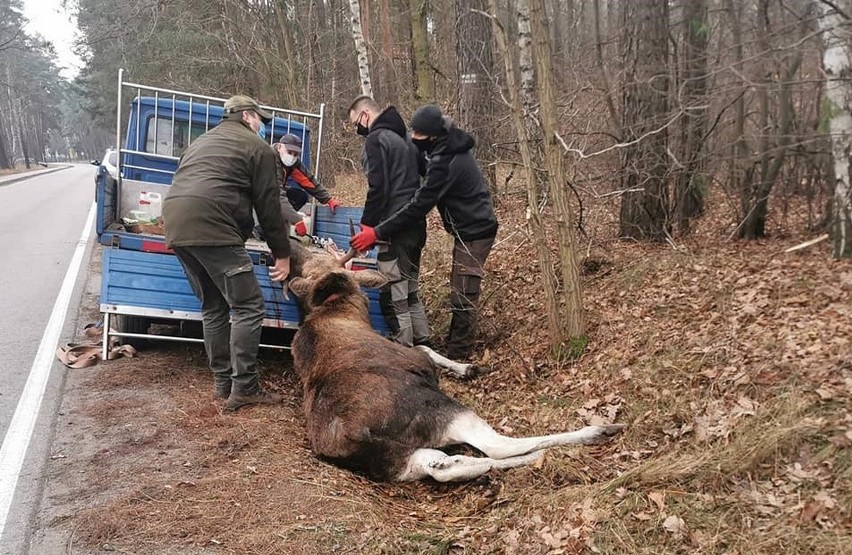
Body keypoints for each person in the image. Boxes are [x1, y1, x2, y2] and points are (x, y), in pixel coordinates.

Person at [163, 94, 291, 411]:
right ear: (247, 116)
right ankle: (245, 387)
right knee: (248, 306)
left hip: (177, 226)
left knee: (214, 305)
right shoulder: (258, 149)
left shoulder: (200, 143)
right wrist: (282, 253)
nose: (262, 126)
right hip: (212, 226)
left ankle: (222, 384)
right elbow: (270, 208)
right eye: (260, 120)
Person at [352, 104, 498, 361]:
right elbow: (421, 177)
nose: (414, 139)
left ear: (432, 135)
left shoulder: (448, 162)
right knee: (423, 291)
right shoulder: (442, 149)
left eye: (418, 135)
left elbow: (419, 203)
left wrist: (375, 231)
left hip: (475, 231)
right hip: (462, 230)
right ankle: (433, 348)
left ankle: (457, 356)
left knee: (462, 293)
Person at [347, 95, 430, 347]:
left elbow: (378, 187)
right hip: (416, 226)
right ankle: (425, 342)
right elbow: (424, 176)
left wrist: (368, 226)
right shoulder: (406, 139)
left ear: (365, 115)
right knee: (410, 290)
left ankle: (403, 349)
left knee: (393, 293)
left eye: (355, 123)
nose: (357, 129)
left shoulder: (376, 139)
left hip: (392, 229)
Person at [273, 133, 340, 236]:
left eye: (295, 154)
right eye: (289, 152)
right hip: (256, 192)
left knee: (300, 196)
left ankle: (278, 223)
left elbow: (308, 181)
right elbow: (277, 194)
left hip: (273, 193)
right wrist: (297, 220)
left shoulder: (293, 163)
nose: (292, 156)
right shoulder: (269, 159)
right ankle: (262, 228)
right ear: (279, 147)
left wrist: (328, 199)